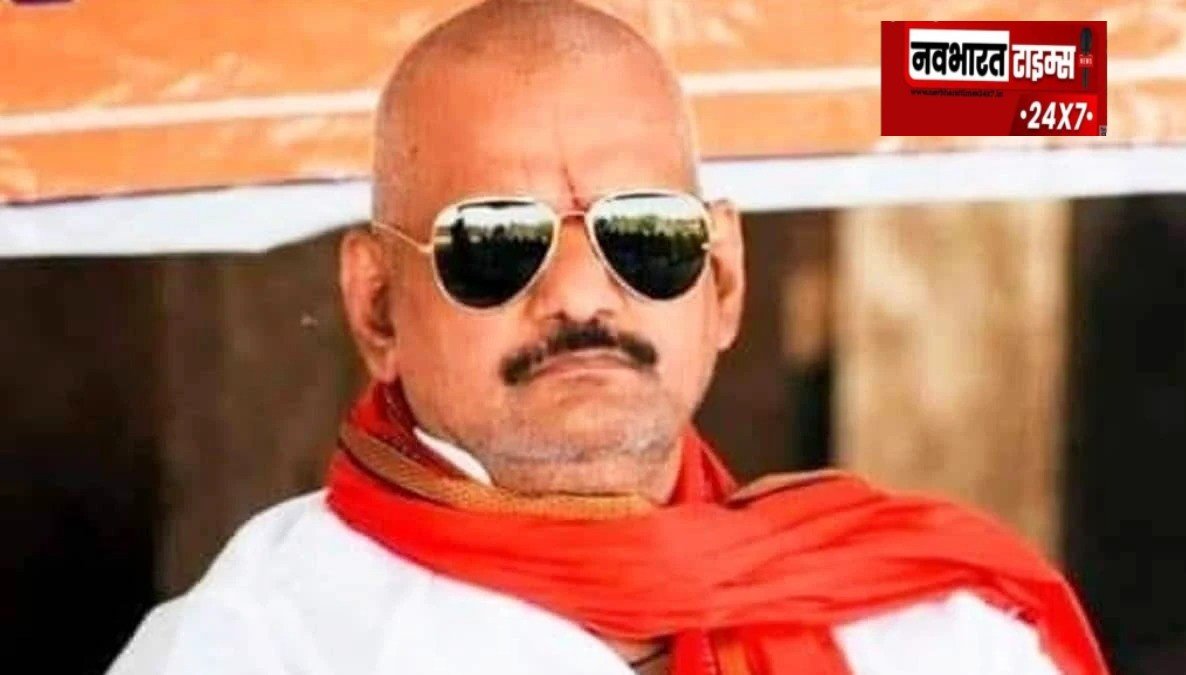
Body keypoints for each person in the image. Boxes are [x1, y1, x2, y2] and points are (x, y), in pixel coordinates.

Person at [108, 1, 1107, 673]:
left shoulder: (932, 632)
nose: (581, 294)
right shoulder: (259, 644)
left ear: (722, 281)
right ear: (378, 306)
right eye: (496, 243)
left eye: (645, 235)